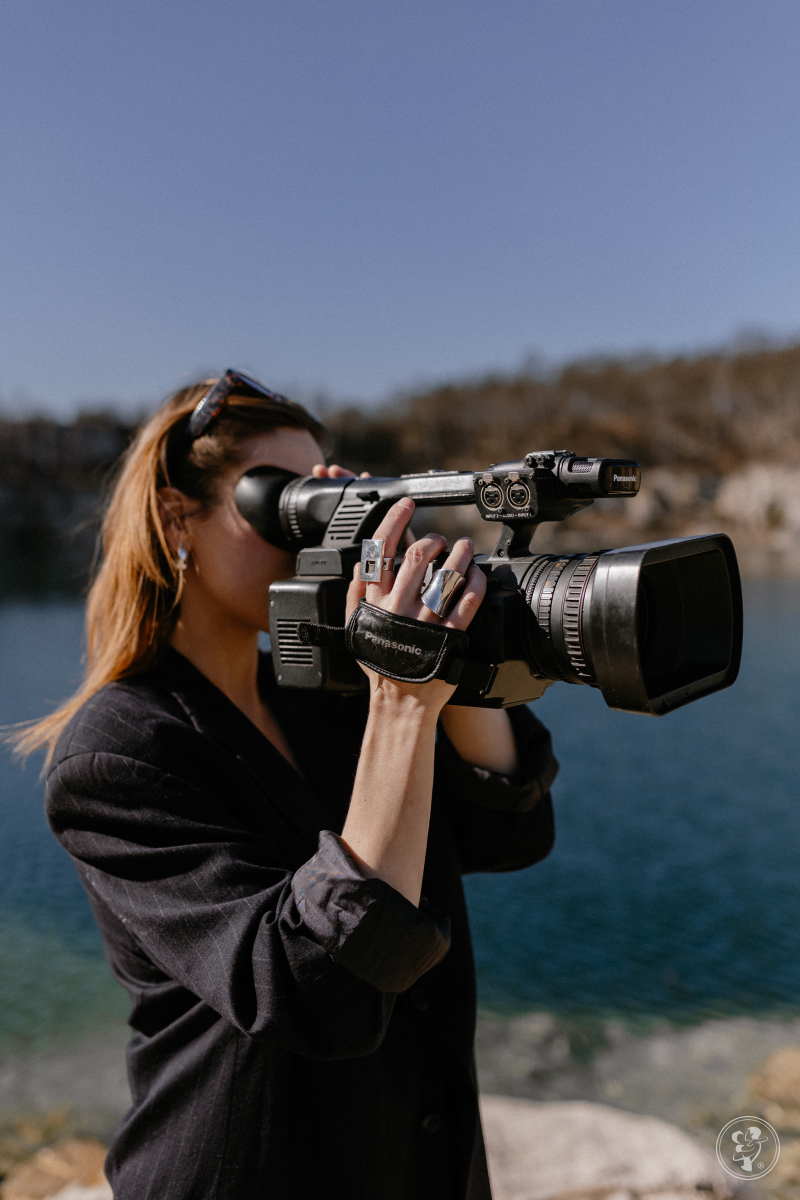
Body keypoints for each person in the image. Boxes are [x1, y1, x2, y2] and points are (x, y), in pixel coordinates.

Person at [16, 373, 558, 1200]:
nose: (319, 534)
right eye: (287, 505)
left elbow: (504, 834)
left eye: (331, 496)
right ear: (175, 519)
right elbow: (316, 991)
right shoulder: (119, 755)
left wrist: (465, 663)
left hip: (417, 1163)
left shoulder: (325, 699)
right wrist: (403, 699)